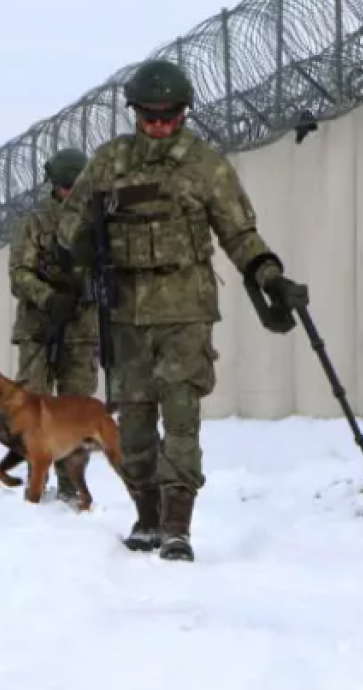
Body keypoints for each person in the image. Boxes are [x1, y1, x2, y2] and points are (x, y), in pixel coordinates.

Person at [55, 58, 306, 562]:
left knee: (183, 421)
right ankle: (146, 514)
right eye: (151, 117)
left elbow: (238, 232)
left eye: (171, 117)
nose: (161, 127)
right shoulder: (109, 163)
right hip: (126, 319)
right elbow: (69, 233)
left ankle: (176, 526)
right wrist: (87, 232)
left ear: (184, 113)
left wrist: (269, 274)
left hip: (186, 314)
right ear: (135, 114)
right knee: (137, 431)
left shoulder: (203, 165)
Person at [7, 147, 99, 503]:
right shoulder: (34, 222)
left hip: (82, 328)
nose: (70, 193)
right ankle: (36, 476)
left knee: (75, 410)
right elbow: (19, 275)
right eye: (65, 186)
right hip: (40, 327)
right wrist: (48, 297)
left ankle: (71, 482)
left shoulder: (97, 221)